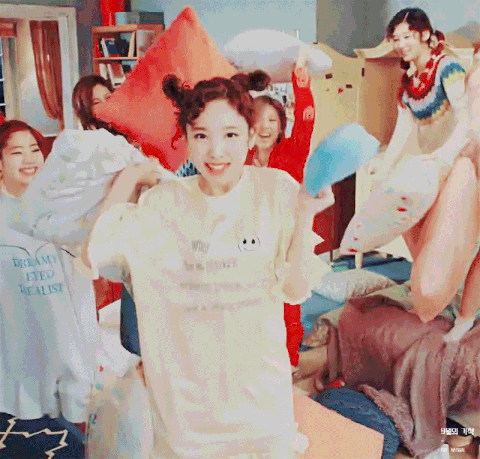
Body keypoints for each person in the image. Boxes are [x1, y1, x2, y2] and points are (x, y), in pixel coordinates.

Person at [81, 70, 334, 458]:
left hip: (260, 400)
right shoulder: (164, 203)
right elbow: (94, 251)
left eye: (230, 134)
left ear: (251, 135)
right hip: (187, 410)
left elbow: (296, 289)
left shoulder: (276, 191)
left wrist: (304, 216)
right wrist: (132, 176)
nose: (216, 151)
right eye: (201, 135)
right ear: (185, 138)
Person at [383, 8, 480, 340]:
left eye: (407, 36)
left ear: (424, 35)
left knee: (448, 236)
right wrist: (385, 169)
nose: (401, 44)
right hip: (439, 164)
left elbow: (465, 121)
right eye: (396, 38)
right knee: (415, 226)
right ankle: (437, 297)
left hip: (459, 163)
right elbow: (402, 133)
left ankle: (462, 312)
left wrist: (445, 158)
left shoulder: (448, 69)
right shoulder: (411, 82)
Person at [0, 120, 98, 432]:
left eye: (34, 149)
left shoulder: (63, 205)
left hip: (67, 341)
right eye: (17, 152)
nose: (29, 159)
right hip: (20, 346)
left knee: (77, 427)